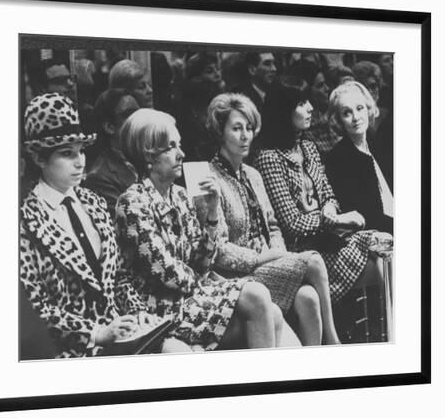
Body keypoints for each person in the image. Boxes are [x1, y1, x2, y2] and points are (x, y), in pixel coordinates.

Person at [19, 93, 187, 357]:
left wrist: (137, 313)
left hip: (122, 333)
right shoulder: (26, 221)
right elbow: (33, 306)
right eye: (66, 153)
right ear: (40, 159)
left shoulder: (93, 202)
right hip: (71, 350)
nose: (80, 161)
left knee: (180, 353)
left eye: (81, 151)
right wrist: (95, 333)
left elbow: (119, 275)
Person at [115, 108, 286, 351]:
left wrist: (213, 213)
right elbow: (165, 273)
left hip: (192, 297)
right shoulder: (133, 202)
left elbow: (203, 263)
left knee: (274, 312)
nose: (181, 154)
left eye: (179, 145)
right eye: (170, 147)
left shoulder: (180, 195)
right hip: (161, 307)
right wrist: (206, 284)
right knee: (257, 296)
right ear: (148, 156)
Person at [200, 93, 339, 345]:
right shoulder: (209, 179)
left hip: (269, 267)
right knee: (314, 260)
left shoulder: (253, 174)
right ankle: (333, 341)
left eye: (250, 128)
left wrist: (279, 254)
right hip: (235, 277)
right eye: (237, 128)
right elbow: (219, 250)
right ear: (220, 132)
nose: (245, 136)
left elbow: (273, 226)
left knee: (308, 296)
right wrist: (265, 258)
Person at [254, 76, 383, 305]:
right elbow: (292, 223)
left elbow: (328, 195)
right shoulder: (269, 158)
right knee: (383, 262)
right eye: (302, 103)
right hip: (302, 249)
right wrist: (334, 221)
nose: (311, 108)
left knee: (385, 243)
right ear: (284, 112)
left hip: (328, 237)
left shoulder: (309, 147)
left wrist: (331, 210)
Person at [325, 82, 393, 234]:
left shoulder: (380, 144)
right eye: (347, 113)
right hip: (376, 237)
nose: (356, 117)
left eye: (360, 108)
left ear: (368, 109)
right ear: (339, 119)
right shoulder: (338, 159)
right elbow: (366, 217)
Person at [83, 88, 140, 218]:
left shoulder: (149, 157)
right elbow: (129, 224)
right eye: (129, 114)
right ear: (109, 127)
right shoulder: (100, 177)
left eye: (140, 113)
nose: (139, 119)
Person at [289, 59, 340, 159]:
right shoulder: (304, 126)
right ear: (306, 91)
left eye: (325, 84)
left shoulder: (330, 115)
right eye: (320, 86)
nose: (327, 89)